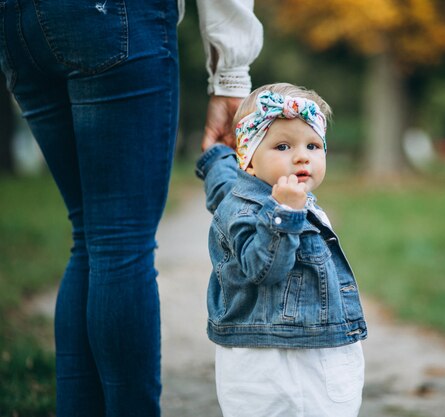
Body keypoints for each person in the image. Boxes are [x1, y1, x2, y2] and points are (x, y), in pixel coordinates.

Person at [0, 0, 262, 415]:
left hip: (18, 22)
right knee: (118, 244)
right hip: (110, 18)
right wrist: (231, 75)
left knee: (89, 239)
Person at [195, 83, 368, 417]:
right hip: (274, 360)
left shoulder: (259, 190)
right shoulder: (257, 209)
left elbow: (223, 185)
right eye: (283, 145)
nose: (302, 155)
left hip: (307, 343)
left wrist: (217, 155)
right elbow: (264, 268)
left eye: (313, 145)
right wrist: (285, 214)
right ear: (247, 161)